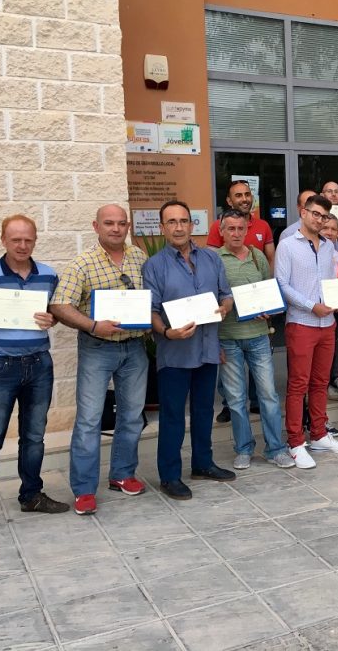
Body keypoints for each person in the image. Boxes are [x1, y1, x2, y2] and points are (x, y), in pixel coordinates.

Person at [0, 215, 68, 539]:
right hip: (0, 367)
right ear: (3, 240)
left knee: (34, 437)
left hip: (39, 365)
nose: (22, 245)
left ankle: (31, 495)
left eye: (28, 240)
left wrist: (51, 321)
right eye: (16, 239)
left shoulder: (48, 275)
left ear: (35, 240)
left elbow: (55, 313)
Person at [49, 204, 149, 517]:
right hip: (97, 348)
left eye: (121, 223)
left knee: (131, 416)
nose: (116, 228)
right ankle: (84, 490)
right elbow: (60, 305)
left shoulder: (140, 257)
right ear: (96, 226)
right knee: (90, 420)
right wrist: (93, 325)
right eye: (109, 223)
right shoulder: (82, 263)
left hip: (134, 348)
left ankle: (122, 474)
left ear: (128, 226)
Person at [143, 200, 236, 500]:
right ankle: (170, 476)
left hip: (207, 348)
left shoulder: (211, 258)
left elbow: (226, 294)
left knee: (204, 410)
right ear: (162, 227)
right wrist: (166, 332)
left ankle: (203, 464)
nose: (179, 227)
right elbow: (151, 310)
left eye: (183, 221)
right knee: (172, 416)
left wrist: (224, 307)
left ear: (192, 225)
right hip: (175, 353)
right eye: (171, 222)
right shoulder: (154, 265)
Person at [276, 194, 338, 468]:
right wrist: (311, 306)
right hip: (302, 323)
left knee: (320, 383)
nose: (319, 220)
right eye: (315, 214)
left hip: (327, 324)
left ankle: (319, 434)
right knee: (298, 385)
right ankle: (295, 442)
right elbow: (282, 284)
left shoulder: (330, 246)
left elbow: (334, 281)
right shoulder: (287, 246)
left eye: (324, 216)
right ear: (304, 212)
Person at [216, 210, 293, 470]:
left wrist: (268, 308)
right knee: (236, 399)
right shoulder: (213, 260)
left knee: (268, 395)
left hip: (258, 336)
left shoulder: (257, 256)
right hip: (228, 338)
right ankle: (243, 449)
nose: (236, 233)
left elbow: (268, 290)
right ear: (222, 232)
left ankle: (276, 448)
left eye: (241, 228)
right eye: (231, 229)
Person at [206, 179, 275, 268]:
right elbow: (211, 261)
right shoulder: (218, 226)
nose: (244, 199)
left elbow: (271, 259)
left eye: (247, 194)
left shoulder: (263, 226)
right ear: (229, 201)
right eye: (238, 196)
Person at [320, 213, 338, 401]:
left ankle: (333, 377)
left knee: (335, 346)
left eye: (333, 229)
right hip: (319, 310)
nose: (329, 232)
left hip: (337, 309)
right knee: (323, 351)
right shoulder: (314, 253)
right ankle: (324, 386)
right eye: (325, 228)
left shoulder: (337, 255)